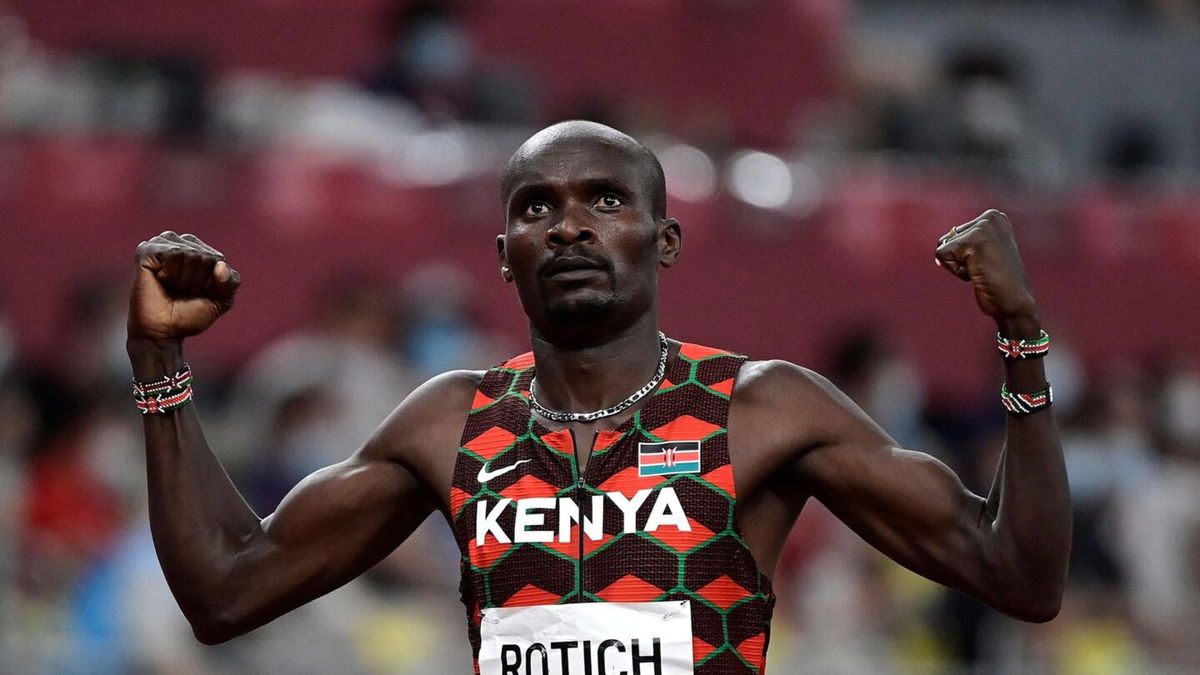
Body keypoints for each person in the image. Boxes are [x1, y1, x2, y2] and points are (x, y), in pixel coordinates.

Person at [126, 120, 1070, 674]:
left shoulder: (764, 408)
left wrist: (1022, 339)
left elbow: (1017, 574)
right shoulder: (451, 420)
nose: (569, 224)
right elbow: (224, 588)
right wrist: (159, 360)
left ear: (664, 241)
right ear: (503, 257)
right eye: (535, 207)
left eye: (605, 200)